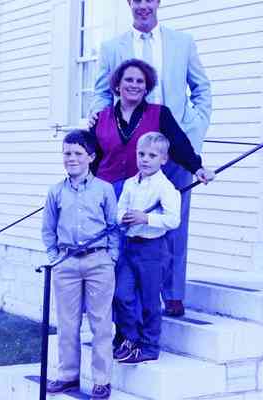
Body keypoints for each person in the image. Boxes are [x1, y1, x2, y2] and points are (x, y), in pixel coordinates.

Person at [90, 0, 212, 317]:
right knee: (129, 221)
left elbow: (201, 89)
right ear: (129, 3)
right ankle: (130, 298)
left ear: (157, 2)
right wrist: (100, 120)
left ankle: (173, 293)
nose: (143, 5)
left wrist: (195, 129)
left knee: (175, 222)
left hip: (176, 147)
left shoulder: (182, 43)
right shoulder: (112, 48)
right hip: (132, 150)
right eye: (137, 0)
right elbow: (101, 93)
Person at [41, 130, 119, 399]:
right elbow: (48, 229)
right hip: (66, 263)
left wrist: (111, 257)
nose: (71, 158)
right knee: (67, 323)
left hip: (99, 261)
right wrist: (55, 257)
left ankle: (101, 380)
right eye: (67, 153)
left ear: (91, 157)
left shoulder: (104, 189)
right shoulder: (56, 192)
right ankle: (67, 375)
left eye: (77, 153)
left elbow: (113, 226)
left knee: (101, 323)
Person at [114, 132, 181, 364]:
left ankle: (150, 346)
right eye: (141, 154)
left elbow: (173, 220)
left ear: (163, 159)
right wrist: (123, 217)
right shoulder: (130, 183)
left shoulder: (166, 187)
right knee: (121, 295)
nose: (145, 159)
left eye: (152, 155)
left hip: (153, 250)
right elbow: (119, 210)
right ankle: (130, 338)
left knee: (150, 300)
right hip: (130, 247)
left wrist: (146, 218)